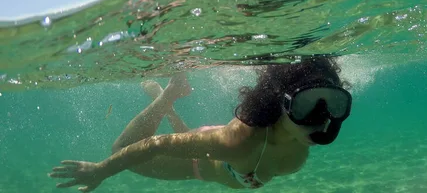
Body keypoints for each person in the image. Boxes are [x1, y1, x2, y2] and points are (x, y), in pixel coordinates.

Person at [49, 56, 352, 192]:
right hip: (198, 166)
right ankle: (168, 94)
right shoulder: (238, 142)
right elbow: (156, 145)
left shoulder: (302, 138)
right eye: (307, 104)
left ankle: (170, 97)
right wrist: (102, 169)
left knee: (192, 141)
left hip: (214, 150)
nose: (323, 118)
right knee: (121, 151)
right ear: (281, 104)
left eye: (333, 102)